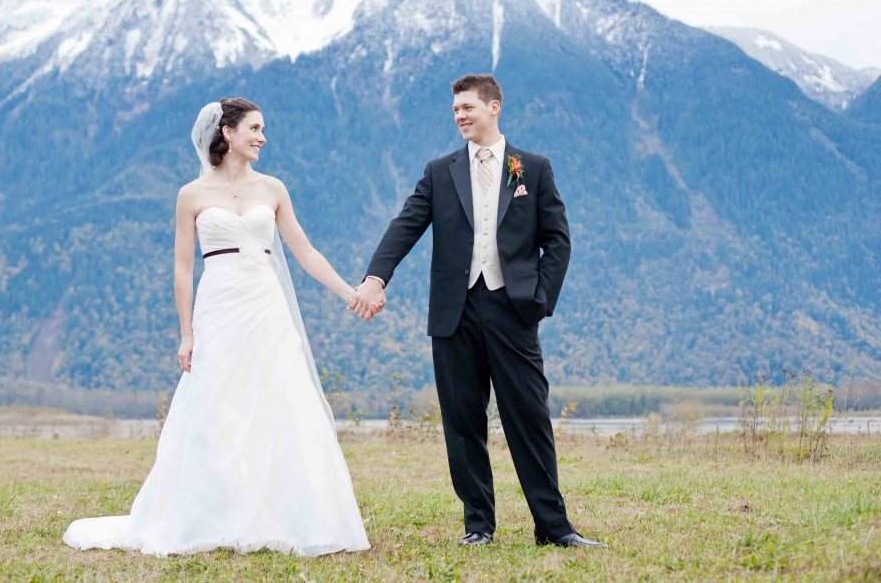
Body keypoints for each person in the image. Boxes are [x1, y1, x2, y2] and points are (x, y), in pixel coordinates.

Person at [63, 97, 371, 556]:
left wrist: (351, 293)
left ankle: (287, 515)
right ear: (227, 132)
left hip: (265, 305)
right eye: (255, 128)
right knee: (217, 404)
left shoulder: (273, 189)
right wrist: (186, 333)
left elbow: (305, 253)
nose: (263, 137)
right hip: (219, 304)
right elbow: (183, 269)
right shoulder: (192, 194)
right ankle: (211, 514)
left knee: (278, 398)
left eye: (263, 129)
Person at [350, 74, 606, 549]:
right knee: (463, 422)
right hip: (455, 313)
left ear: (495, 107)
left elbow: (558, 241)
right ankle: (478, 527)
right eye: (455, 110)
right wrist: (374, 277)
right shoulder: (440, 172)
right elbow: (404, 226)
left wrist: (538, 301)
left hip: (514, 311)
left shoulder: (532, 168)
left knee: (529, 418)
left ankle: (553, 528)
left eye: (468, 107)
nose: (460, 116)